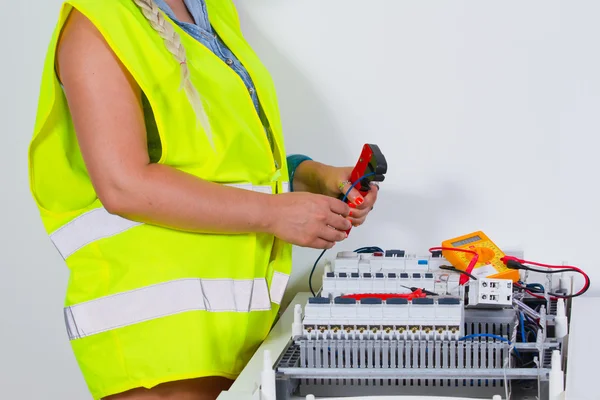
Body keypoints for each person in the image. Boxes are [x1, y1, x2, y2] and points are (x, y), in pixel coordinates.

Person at [28, 0, 379, 399]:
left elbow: (221, 163)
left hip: (235, 334)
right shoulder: (96, 24)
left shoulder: (211, 10)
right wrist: (274, 213)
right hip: (159, 346)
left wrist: (310, 175)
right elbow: (123, 185)